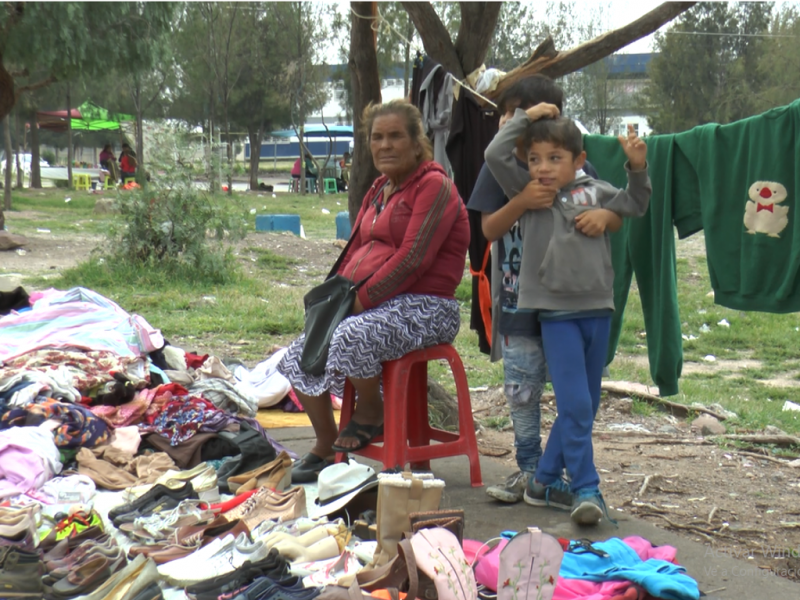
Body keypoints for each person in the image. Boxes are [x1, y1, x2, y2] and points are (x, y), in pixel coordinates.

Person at [277, 100, 470, 483]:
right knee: (301, 350)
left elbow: (413, 258)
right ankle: (324, 442)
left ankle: (372, 411)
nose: (385, 145)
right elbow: (356, 250)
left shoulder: (435, 187)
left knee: (351, 334)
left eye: (396, 136)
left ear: (418, 143)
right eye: (377, 137)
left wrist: (358, 303)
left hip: (429, 307)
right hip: (374, 304)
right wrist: (332, 303)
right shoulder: (380, 188)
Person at [485, 104, 650, 525]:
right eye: (534, 159)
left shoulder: (594, 189)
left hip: (598, 309)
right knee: (576, 402)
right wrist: (524, 116)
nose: (542, 168)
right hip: (556, 315)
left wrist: (634, 168)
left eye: (554, 159)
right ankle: (586, 489)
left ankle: (541, 480)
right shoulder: (533, 194)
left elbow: (635, 202)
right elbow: (494, 155)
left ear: (578, 161)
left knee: (587, 405)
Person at [467, 75, 623, 505]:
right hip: (519, 298)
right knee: (523, 390)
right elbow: (489, 229)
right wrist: (522, 201)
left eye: (521, 115)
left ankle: (547, 477)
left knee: (577, 396)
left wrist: (607, 219)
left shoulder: (575, 168)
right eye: (508, 115)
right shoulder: (507, 170)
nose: (509, 122)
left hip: (571, 301)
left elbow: (613, 208)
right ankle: (530, 468)